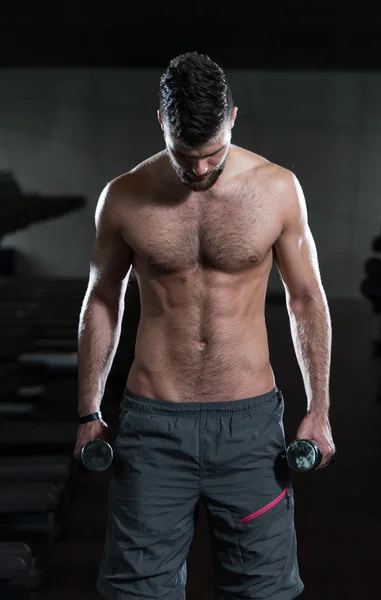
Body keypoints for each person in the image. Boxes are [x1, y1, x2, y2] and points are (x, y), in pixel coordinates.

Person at [74, 51, 335, 600]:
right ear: (162, 126)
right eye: (183, 155)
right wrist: (89, 409)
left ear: (233, 119)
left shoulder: (278, 189)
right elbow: (102, 298)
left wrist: (319, 408)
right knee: (136, 593)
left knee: (263, 591)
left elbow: (306, 297)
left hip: (250, 431)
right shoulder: (124, 197)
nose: (198, 170)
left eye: (211, 154)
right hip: (152, 428)